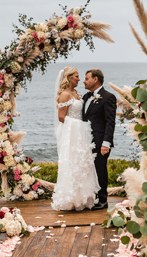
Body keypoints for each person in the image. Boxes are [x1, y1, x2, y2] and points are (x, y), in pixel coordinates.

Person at [51, 66, 100, 211]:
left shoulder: (76, 93)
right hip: (72, 134)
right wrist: (79, 125)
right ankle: (70, 199)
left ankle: (82, 198)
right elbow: (61, 117)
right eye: (77, 76)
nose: (79, 79)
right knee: (71, 163)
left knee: (82, 163)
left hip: (81, 134)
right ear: (69, 77)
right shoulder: (65, 94)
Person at [82, 69, 117, 210]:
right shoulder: (85, 97)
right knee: (90, 171)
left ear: (95, 79)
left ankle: (103, 200)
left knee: (100, 170)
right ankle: (93, 197)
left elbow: (110, 122)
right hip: (86, 142)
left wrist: (106, 143)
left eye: (86, 78)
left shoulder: (108, 97)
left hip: (100, 142)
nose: (84, 81)